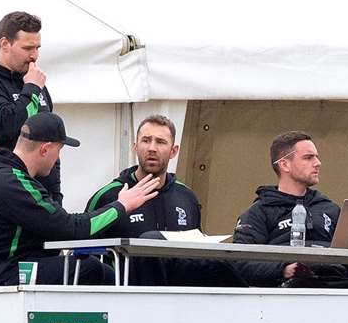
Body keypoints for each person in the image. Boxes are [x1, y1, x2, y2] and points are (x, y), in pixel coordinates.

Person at [0, 112, 160, 287]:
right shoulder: (12, 183)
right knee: (92, 270)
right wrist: (122, 206)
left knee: (70, 263)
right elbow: (71, 229)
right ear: (45, 149)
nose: (58, 159)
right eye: (59, 151)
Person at [85, 115, 243, 288]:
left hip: (180, 300)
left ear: (174, 151)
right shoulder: (109, 195)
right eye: (146, 140)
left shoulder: (187, 196)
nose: (152, 148)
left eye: (160, 142)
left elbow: (196, 252)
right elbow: (84, 251)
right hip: (128, 300)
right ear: (135, 147)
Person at [232, 131, 348, 287]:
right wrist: (285, 270)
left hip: (336, 286)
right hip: (286, 289)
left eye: (317, 157)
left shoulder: (331, 209)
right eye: (308, 157)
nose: (318, 163)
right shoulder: (258, 213)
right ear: (284, 164)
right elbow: (241, 263)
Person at [0, 11, 58, 200]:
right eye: (27, 48)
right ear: (4, 43)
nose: (34, 56)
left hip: (35, 192)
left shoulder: (36, 83)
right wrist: (31, 88)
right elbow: (6, 126)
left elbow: (51, 140)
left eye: (37, 48)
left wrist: (54, 195)